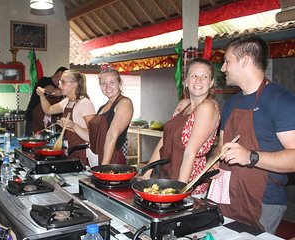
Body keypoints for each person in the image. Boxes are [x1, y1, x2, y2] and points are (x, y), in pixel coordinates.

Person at [208, 34, 295, 234]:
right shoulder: (231, 103)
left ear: (245, 60)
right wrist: (207, 169)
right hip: (226, 196)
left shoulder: (282, 101)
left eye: (227, 61)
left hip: (262, 201)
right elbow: (221, 148)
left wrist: (250, 157)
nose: (222, 68)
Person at [142, 58, 220, 197]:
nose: (198, 80)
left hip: (188, 184)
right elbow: (164, 141)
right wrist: (146, 174)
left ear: (211, 83)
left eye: (205, 77)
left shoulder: (208, 107)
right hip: (167, 176)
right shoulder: (183, 105)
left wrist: (179, 192)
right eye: (194, 76)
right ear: (186, 81)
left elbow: (191, 151)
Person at [67, 66, 134, 165]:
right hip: (95, 159)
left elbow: (112, 135)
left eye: (112, 82)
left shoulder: (124, 103)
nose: (108, 87)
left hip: (111, 161)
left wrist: (103, 166)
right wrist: (73, 125)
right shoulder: (103, 107)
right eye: (103, 84)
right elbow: (93, 138)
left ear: (119, 83)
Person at [36, 69, 95, 165]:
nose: (59, 86)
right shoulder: (67, 101)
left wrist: (73, 126)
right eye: (60, 82)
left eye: (63, 82)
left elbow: (94, 133)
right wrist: (42, 96)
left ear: (75, 84)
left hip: (83, 151)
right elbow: (48, 110)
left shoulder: (84, 103)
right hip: (71, 148)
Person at [25, 67, 68, 136]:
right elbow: (55, 92)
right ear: (60, 73)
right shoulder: (44, 81)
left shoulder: (59, 88)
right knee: (32, 140)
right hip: (33, 119)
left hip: (47, 121)